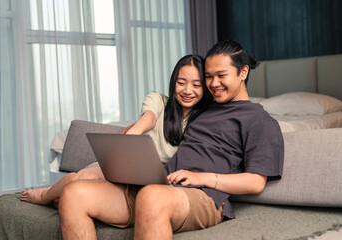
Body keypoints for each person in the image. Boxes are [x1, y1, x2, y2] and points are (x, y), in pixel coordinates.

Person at [58, 39, 284, 240]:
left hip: (203, 197)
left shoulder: (259, 120)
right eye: (208, 77)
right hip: (161, 185)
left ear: (243, 72)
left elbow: (255, 182)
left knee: (152, 197)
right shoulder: (204, 107)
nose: (214, 83)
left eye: (221, 75)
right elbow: (166, 109)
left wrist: (202, 178)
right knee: (73, 194)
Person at [20, 54, 210, 205]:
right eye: (181, 82)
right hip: (129, 160)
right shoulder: (158, 101)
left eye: (196, 85)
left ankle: (54, 197)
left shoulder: (204, 121)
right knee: (81, 178)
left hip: (156, 176)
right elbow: (148, 119)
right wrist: (133, 134)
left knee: (84, 190)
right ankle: (44, 196)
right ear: (173, 82)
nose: (187, 90)